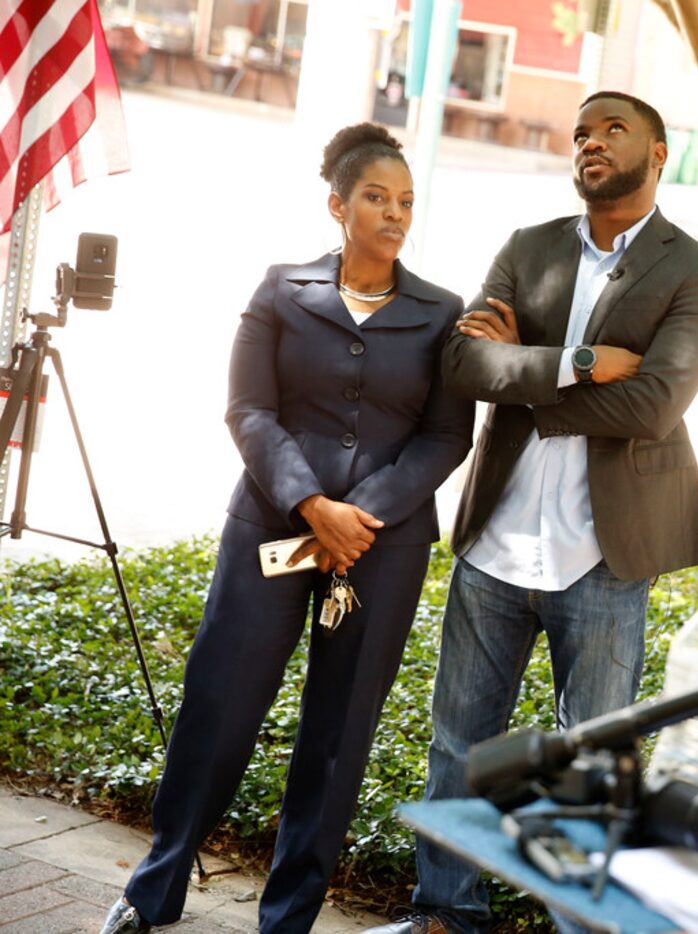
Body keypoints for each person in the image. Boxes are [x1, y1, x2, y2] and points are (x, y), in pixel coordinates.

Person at [100, 124, 474, 934]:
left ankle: (289, 919)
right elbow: (248, 409)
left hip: (382, 548)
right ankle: (152, 889)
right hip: (270, 526)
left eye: (406, 201)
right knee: (220, 704)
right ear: (337, 205)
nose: (394, 214)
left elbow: (448, 436)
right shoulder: (280, 288)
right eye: (376, 197)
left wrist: (360, 516)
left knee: (338, 736)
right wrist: (314, 506)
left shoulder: (443, 312)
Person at [375, 91, 698, 934]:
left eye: (614, 130)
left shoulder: (696, 269)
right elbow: (462, 364)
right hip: (494, 545)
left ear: (658, 151)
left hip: (602, 558)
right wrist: (577, 362)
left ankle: (580, 924)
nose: (591, 142)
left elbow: (654, 404)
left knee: (592, 765)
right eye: (581, 132)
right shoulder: (527, 248)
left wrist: (525, 379)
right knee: (459, 746)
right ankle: (444, 916)